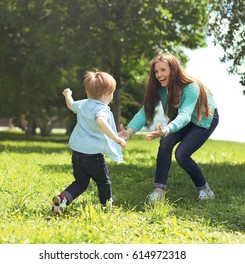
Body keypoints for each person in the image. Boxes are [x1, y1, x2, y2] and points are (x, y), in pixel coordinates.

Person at [119, 53, 219, 202]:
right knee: (165, 143)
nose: (159, 75)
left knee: (182, 154)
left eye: (163, 70)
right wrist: (129, 131)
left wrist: (167, 129)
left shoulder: (191, 87)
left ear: (173, 70)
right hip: (181, 118)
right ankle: (158, 191)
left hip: (203, 118)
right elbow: (146, 110)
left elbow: (185, 114)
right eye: (156, 71)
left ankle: (205, 190)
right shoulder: (160, 88)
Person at [52, 70, 126, 215]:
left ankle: (62, 199)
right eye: (112, 93)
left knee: (80, 182)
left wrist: (68, 95)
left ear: (88, 92)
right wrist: (116, 138)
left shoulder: (83, 104)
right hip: (93, 156)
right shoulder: (101, 109)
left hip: (77, 154)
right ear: (106, 94)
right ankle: (107, 208)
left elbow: (71, 105)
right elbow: (100, 121)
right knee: (103, 182)